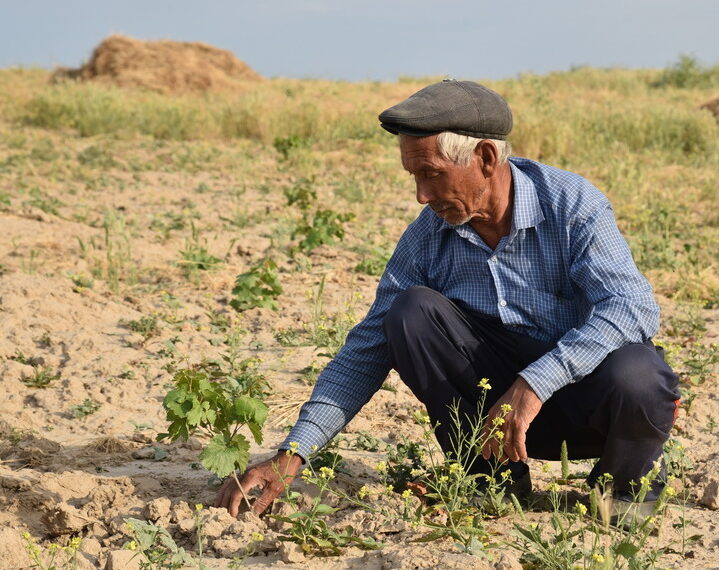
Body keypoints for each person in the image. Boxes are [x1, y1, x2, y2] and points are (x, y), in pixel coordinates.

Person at [216, 79, 680, 518]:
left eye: (432, 175)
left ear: (484, 158)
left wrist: (535, 382)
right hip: (493, 427)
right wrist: (292, 453)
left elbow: (631, 306)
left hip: (584, 407)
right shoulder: (428, 238)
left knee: (639, 375)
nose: (421, 194)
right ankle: (493, 480)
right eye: (414, 176)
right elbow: (366, 350)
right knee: (410, 312)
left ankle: (624, 487)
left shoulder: (572, 205)